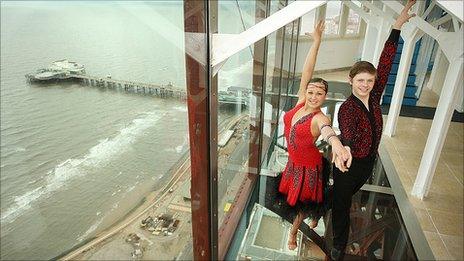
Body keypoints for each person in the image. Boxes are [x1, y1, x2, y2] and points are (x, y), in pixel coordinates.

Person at [330, 1, 417, 260]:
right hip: (349, 164)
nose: (366, 85)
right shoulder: (347, 108)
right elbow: (346, 133)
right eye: (360, 81)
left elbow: (386, 61)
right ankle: (338, 244)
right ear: (351, 81)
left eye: (369, 80)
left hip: (368, 163)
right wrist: (344, 149)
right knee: (341, 205)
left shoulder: (375, 95)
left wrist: (397, 26)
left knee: (350, 195)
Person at [278, 20, 352, 251]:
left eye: (319, 94)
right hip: (294, 162)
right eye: (311, 91)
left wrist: (338, 145)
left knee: (301, 205)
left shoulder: (320, 118)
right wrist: (316, 42)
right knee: (306, 200)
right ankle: (317, 216)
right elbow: (308, 70)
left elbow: (328, 133)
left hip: (307, 166)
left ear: (324, 97)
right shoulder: (301, 101)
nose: (313, 96)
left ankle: (292, 234)